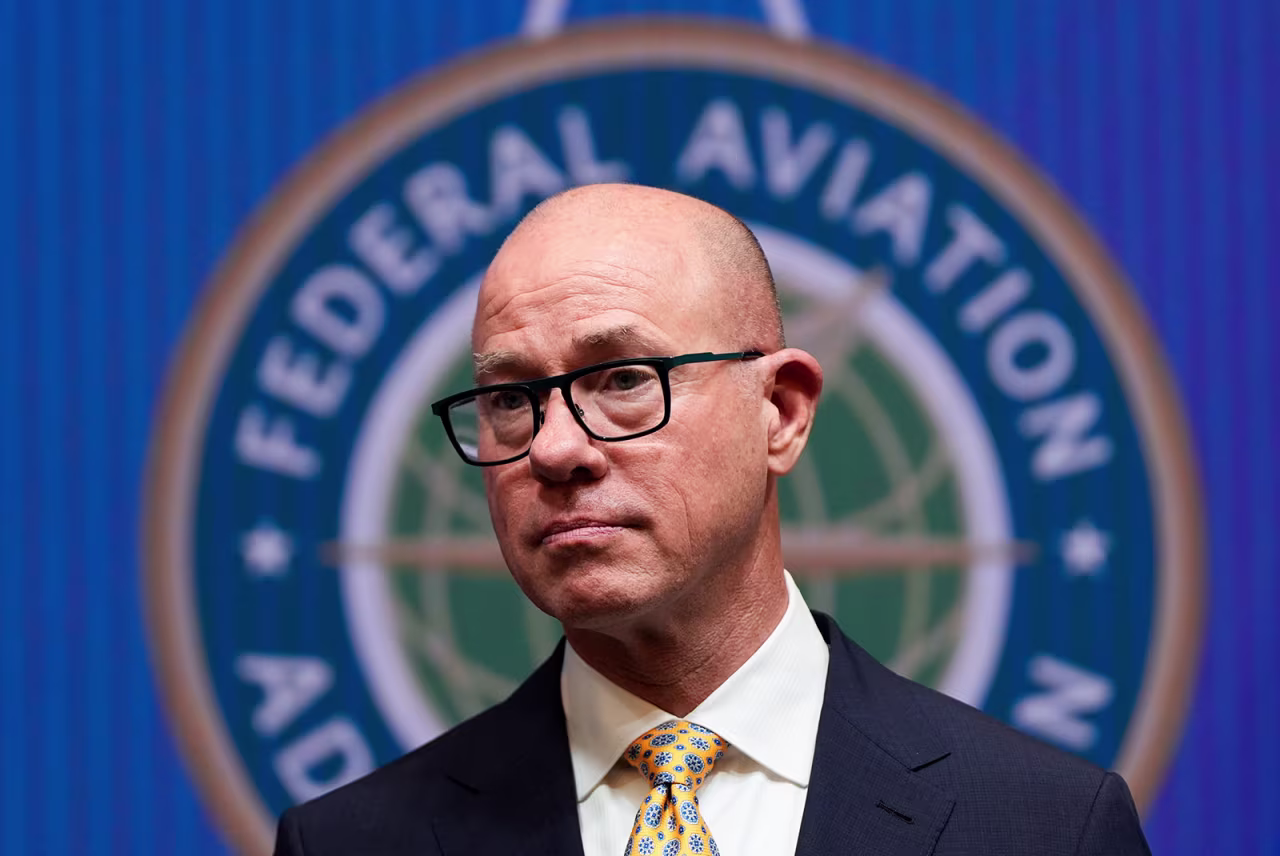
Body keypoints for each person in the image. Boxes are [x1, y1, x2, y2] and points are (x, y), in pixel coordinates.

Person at [273, 184, 1150, 855]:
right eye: (509, 398)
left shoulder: (1047, 829)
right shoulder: (348, 844)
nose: (554, 448)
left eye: (623, 379)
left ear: (782, 413)